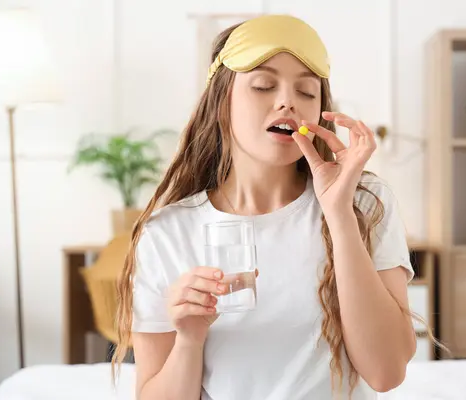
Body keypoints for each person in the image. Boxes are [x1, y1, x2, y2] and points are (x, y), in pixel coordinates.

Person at [112, 14, 418, 400]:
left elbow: (386, 372)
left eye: (307, 92)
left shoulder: (363, 200)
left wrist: (338, 214)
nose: (288, 101)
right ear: (221, 102)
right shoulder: (168, 232)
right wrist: (189, 339)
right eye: (262, 85)